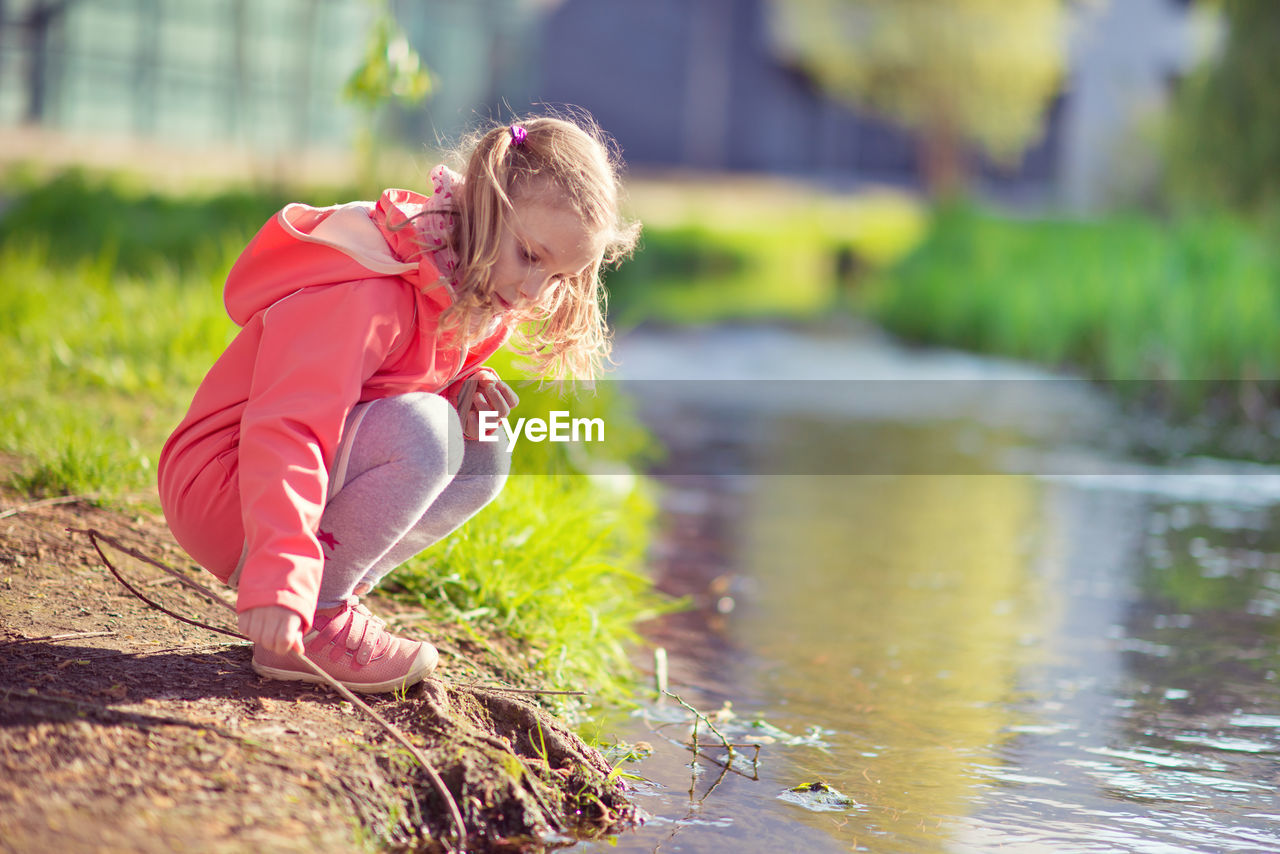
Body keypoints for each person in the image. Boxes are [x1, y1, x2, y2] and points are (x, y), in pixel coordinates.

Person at [157, 114, 640, 693]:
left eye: (560, 276)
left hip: (268, 489)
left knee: (482, 444)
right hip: (226, 481)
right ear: (488, 206)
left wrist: (458, 389)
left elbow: (384, 386)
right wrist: (279, 572)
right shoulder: (373, 285)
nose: (537, 292)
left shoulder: (474, 293)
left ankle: (331, 597)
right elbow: (289, 425)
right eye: (531, 256)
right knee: (428, 432)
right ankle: (313, 613)